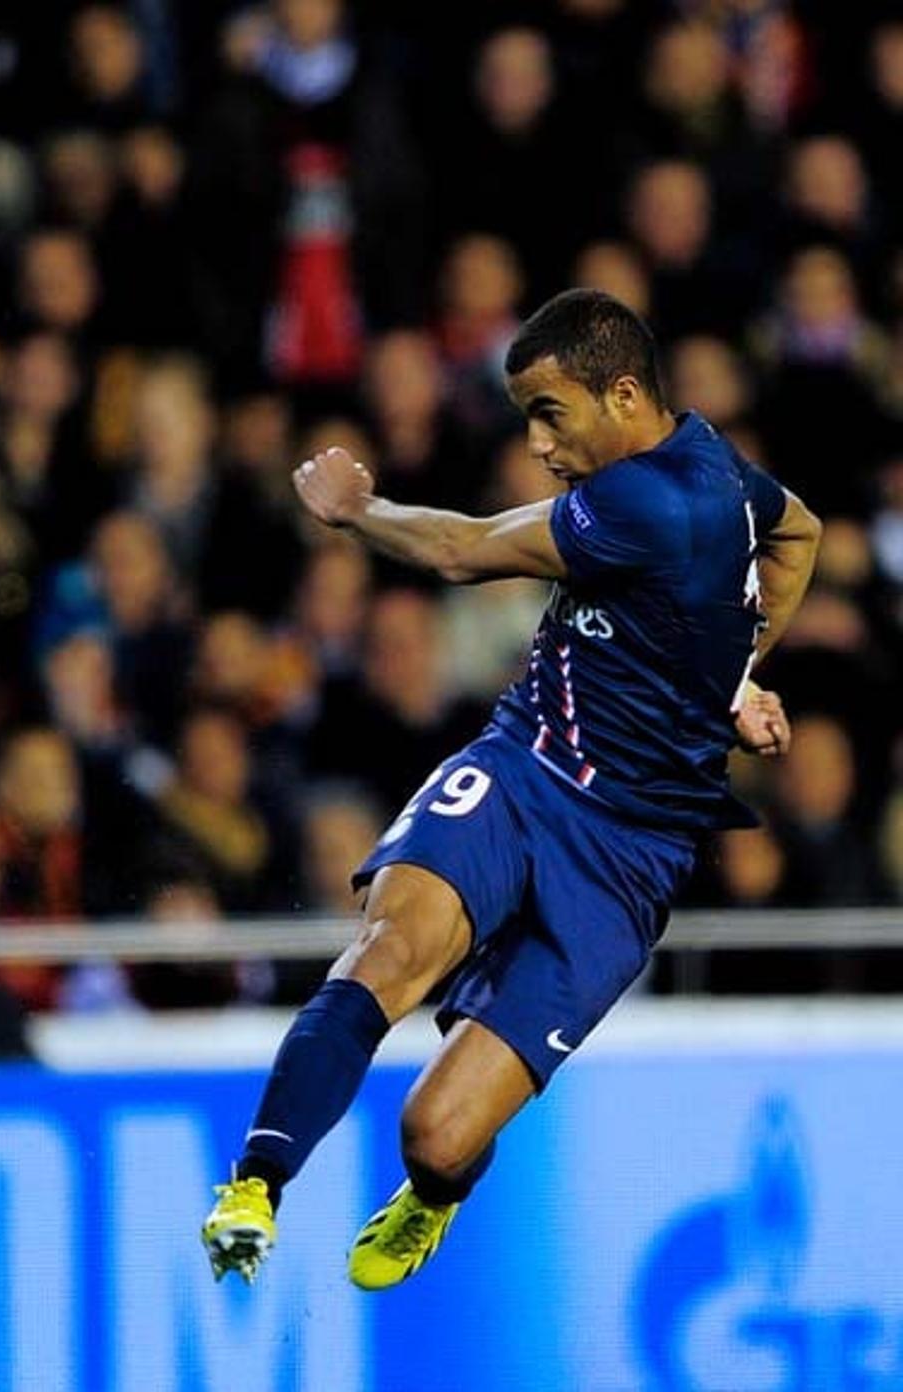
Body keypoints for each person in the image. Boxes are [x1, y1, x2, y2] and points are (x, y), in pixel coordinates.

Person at [201, 289, 821, 1290]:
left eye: (550, 413)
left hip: (629, 856)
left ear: (623, 395)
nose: (537, 443)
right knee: (391, 947)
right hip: (523, 768)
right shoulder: (713, 466)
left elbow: (457, 550)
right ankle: (255, 1185)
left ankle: (434, 1198)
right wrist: (736, 674)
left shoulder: (641, 503)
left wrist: (357, 510)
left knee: (436, 1136)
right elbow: (800, 533)